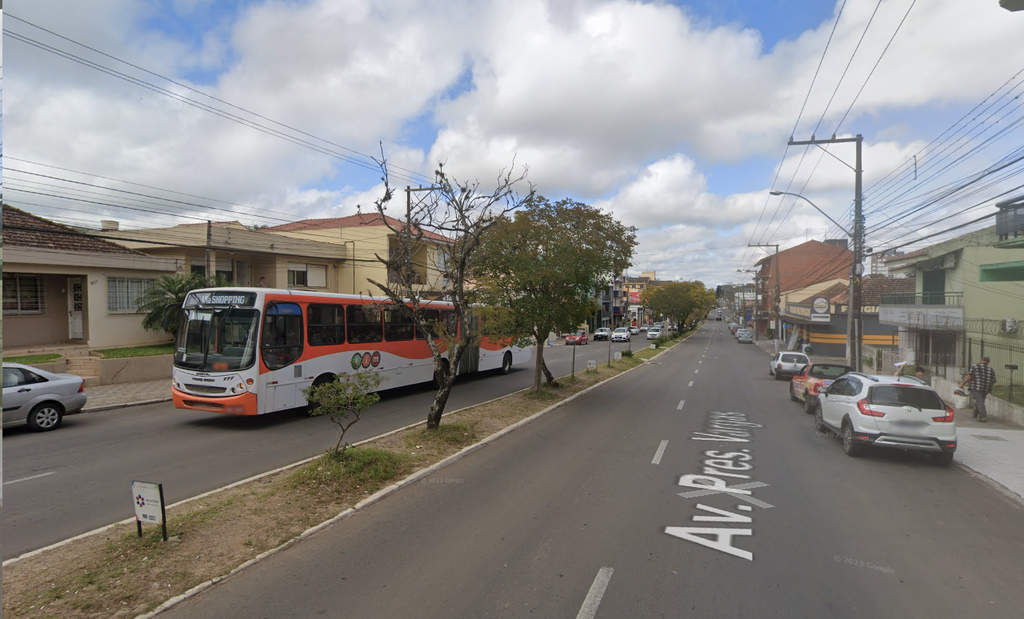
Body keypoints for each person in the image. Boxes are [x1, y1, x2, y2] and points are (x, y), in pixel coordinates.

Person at [959, 357, 996, 422]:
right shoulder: (991, 369)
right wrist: (990, 388)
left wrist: (963, 383)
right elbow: (993, 381)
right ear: (988, 362)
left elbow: (970, 376)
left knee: (979, 401)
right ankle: (975, 413)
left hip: (976, 387)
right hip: (986, 388)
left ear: (981, 360)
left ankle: (983, 416)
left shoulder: (975, 366)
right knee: (980, 400)